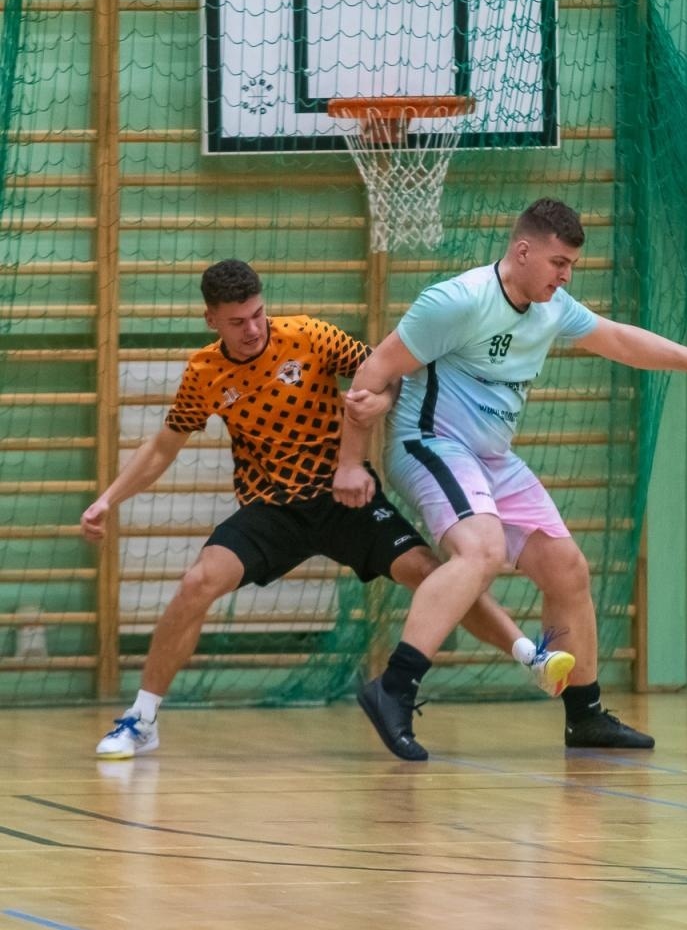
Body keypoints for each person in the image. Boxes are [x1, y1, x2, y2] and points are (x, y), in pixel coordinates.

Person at [82, 259, 571, 759]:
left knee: (430, 572)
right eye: (237, 321)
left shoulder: (309, 336)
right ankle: (142, 720)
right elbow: (164, 446)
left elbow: (389, 374)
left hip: (345, 498)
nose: (252, 329)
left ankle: (528, 654)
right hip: (273, 508)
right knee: (196, 584)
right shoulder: (205, 372)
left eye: (257, 314)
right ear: (212, 321)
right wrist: (107, 499)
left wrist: (374, 413)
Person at [336, 198, 687, 760]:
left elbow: (618, 339)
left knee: (567, 569)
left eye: (572, 266)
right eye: (558, 262)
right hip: (431, 444)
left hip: (494, 460)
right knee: (479, 551)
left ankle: (585, 715)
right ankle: (394, 687)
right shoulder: (458, 301)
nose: (565, 275)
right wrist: (350, 462)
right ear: (522, 250)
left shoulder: (552, 308)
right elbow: (374, 372)